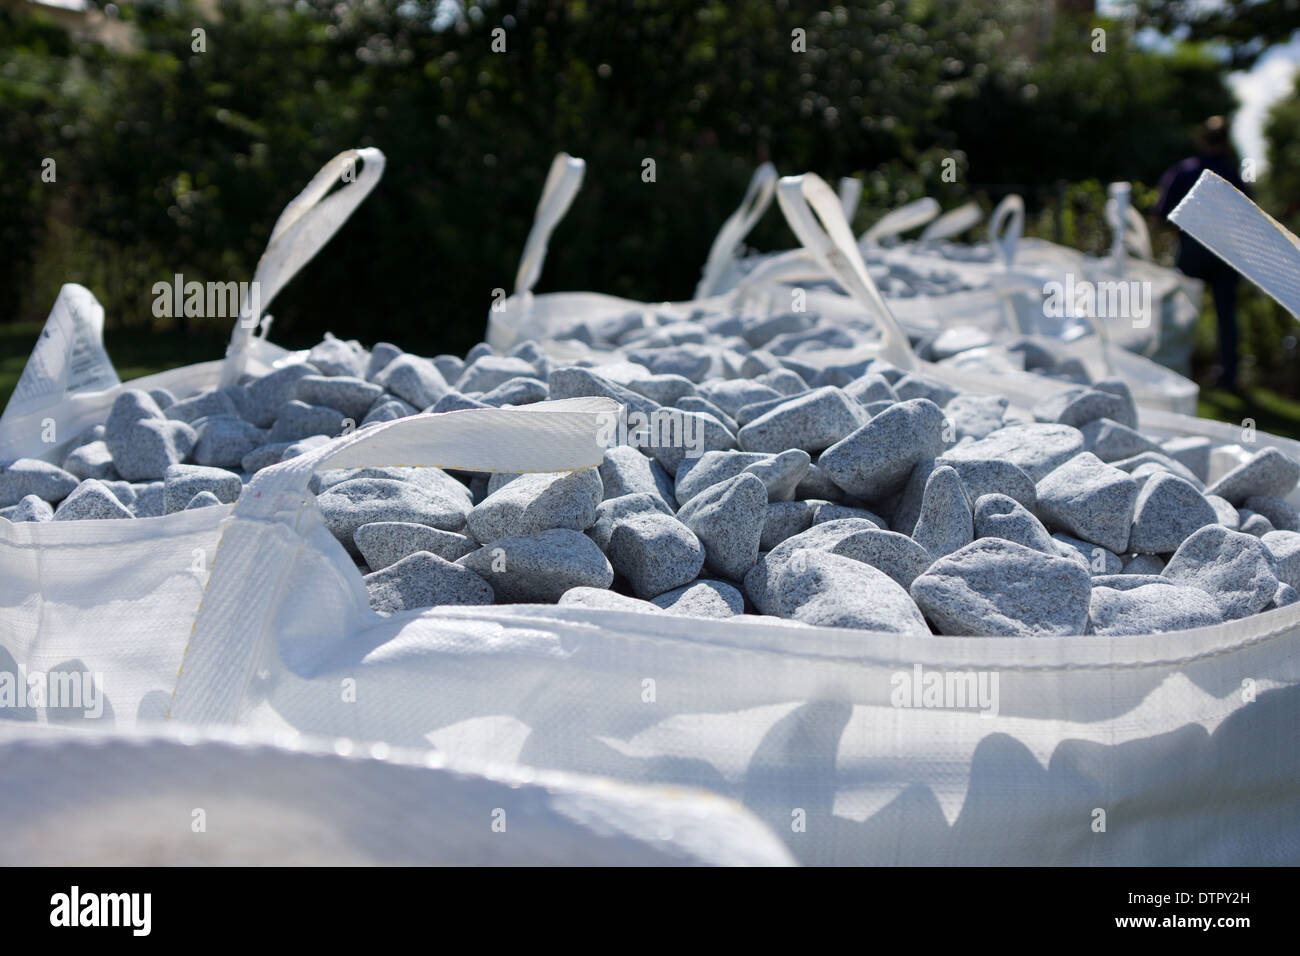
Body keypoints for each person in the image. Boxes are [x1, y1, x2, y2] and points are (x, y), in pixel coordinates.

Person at [1154, 116, 1248, 391]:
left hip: (1193, 248)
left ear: (1201, 139)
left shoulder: (1185, 171)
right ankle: (1228, 377)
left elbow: (1162, 214)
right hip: (1226, 253)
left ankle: (1176, 369)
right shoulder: (1233, 175)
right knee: (1226, 316)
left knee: (1182, 310)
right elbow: (1248, 218)